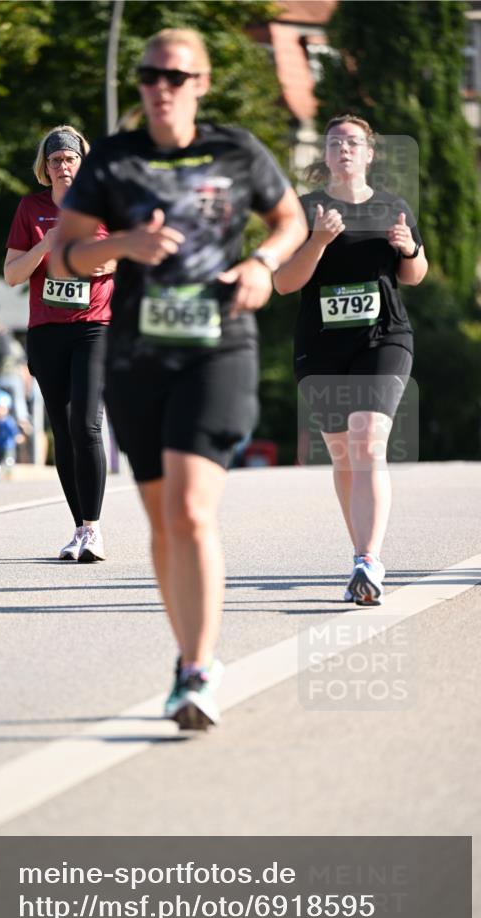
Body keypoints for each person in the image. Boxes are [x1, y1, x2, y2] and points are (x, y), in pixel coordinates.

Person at [50, 29, 307, 728]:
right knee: (164, 522)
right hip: (136, 355)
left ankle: (196, 670)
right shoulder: (114, 159)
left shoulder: (235, 150)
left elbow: (288, 219)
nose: (160, 88)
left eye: (175, 76)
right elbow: (65, 255)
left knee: (192, 509)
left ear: (201, 83)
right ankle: (187, 657)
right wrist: (122, 244)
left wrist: (260, 264)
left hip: (217, 347)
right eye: (149, 75)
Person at [273, 114, 428, 606]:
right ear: (324, 154)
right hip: (320, 347)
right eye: (335, 142)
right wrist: (318, 241)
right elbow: (283, 283)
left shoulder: (392, 207)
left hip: (384, 338)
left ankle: (368, 560)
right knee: (343, 454)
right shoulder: (305, 210)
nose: (344, 148)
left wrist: (409, 250)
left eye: (353, 142)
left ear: (369, 154)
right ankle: (360, 552)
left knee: (367, 438)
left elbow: (415, 273)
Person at [4, 125, 115, 562]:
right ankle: (79, 529)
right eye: (55, 160)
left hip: (94, 327)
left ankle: (94, 529)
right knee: (64, 432)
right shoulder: (30, 209)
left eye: (70, 158)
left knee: (86, 425)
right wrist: (44, 247)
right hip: (47, 331)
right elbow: (12, 274)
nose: (63, 165)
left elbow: (126, 256)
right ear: (45, 168)